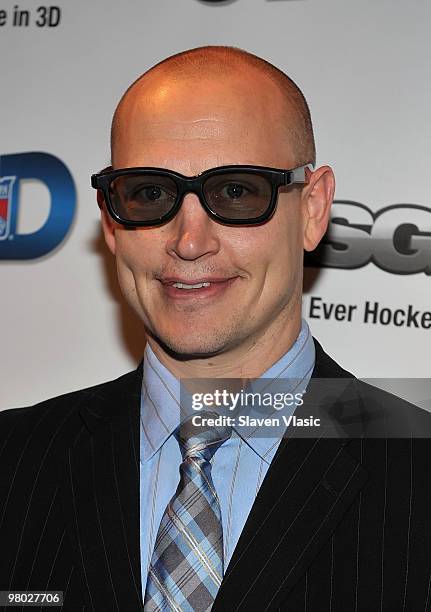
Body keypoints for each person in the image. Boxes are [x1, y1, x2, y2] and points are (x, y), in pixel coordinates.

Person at [1, 46, 431, 612]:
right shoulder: (13, 463)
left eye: (236, 191)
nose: (189, 240)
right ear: (110, 220)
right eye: (150, 193)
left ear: (314, 208)